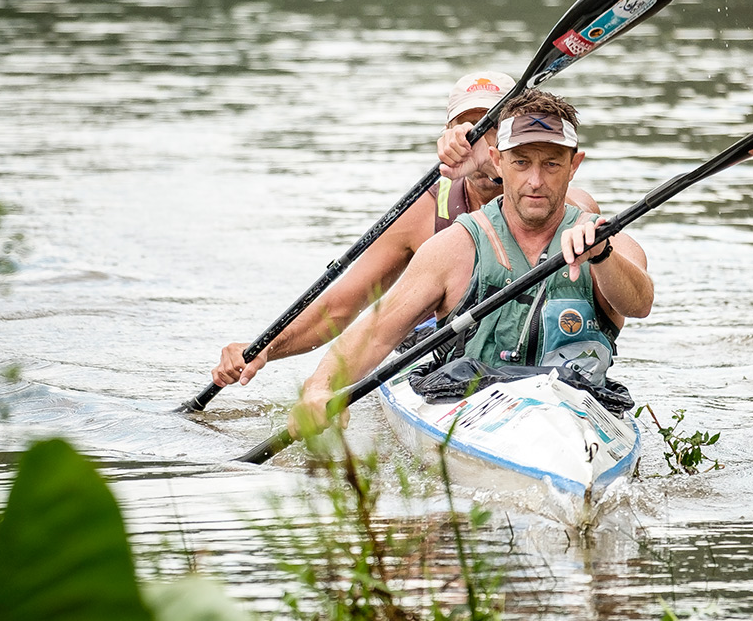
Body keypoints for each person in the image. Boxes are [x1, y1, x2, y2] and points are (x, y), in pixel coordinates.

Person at [209, 71, 603, 391]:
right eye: (467, 126)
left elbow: (583, 213)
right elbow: (342, 307)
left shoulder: (557, 196)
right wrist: (264, 350)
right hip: (438, 356)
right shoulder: (423, 212)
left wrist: (493, 166)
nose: (477, 138)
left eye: (490, 126)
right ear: (450, 134)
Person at [288, 91, 652, 434]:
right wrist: (320, 388)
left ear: (574, 165)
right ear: (498, 161)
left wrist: (601, 256)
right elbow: (378, 332)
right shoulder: (453, 248)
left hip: (579, 413)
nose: (536, 181)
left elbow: (640, 304)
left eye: (552, 164)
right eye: (521, 163)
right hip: (470, 410)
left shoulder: (608, 241)